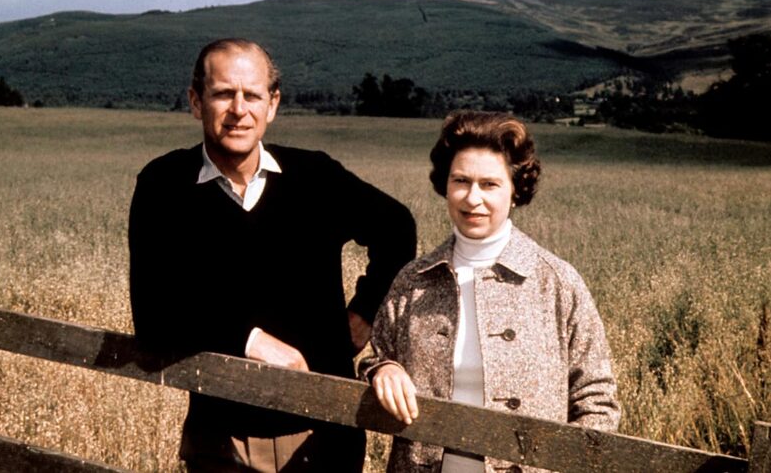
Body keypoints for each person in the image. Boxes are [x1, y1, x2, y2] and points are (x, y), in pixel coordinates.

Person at [128, 38, 417, 472]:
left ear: (273, 104)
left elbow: (397, 227)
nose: (239, 109)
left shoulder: (315, 177)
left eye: (253, 95)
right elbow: (153, 315)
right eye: (223, 93)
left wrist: (365, 311)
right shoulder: (165, 186)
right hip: (221, 439)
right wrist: (250, 340)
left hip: (325, 435)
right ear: (195, 101)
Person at [361, 111, 620, 473]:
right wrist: (383, 370)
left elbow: (597, 403)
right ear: (445, 185)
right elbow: (374, 358)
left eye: (490, 184)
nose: (472, 198)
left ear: (515, 190)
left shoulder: (557, 283)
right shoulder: (414, 281)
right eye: (461, 181)